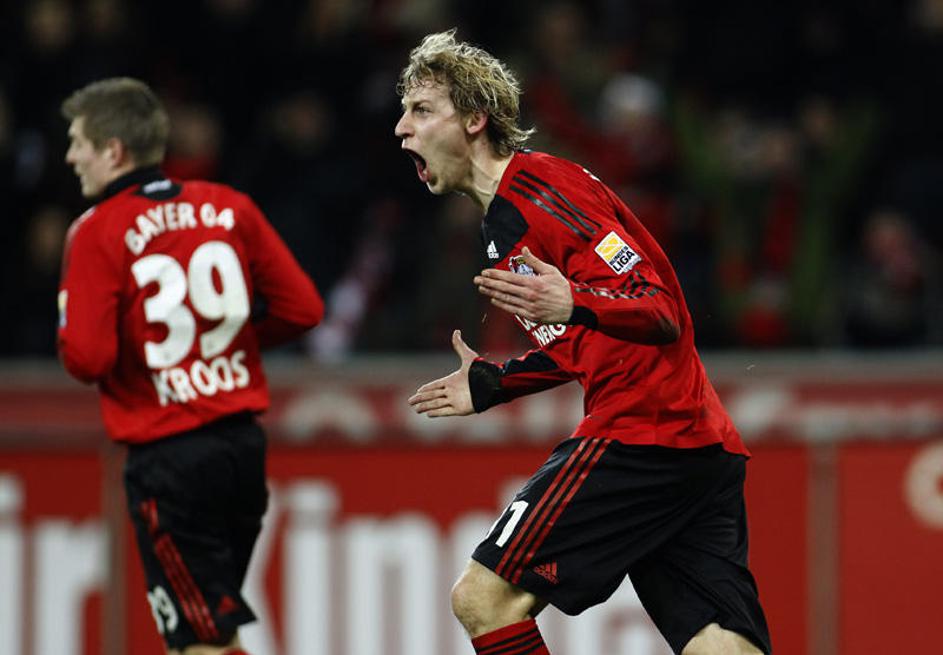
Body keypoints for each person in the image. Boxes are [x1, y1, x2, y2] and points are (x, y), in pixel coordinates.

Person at [399, 31, 771, 655]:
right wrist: (498, 382)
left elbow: (658, 309)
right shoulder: (500, 226)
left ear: (473, 119)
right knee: (718, 645)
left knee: (483, 597)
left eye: (420, 110)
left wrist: (576, 301)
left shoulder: (544, 190)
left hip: (642, 435)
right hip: (696, 443)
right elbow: (584, 341)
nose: (402, 129)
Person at [57, 78, 324, 655]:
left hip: (170, 459)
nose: (70, 156)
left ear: (114, 151)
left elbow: (88, 356)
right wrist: (221, 343)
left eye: (78, 142)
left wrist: (154, 349)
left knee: (197, 639)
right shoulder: (230, 207)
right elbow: (303, 308)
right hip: (241, 451)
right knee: (204, 634)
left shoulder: (96, 230)